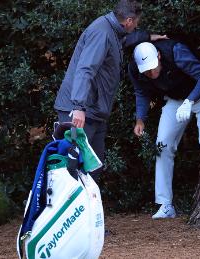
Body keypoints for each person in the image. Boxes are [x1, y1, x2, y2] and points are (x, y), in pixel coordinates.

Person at [54, 0, 165, 182]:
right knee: (74, 167)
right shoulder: (102, 33)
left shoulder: (112, 31)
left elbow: (126, 40)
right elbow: (85, 69)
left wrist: (148, 37)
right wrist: (79, 107)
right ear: (129, 20)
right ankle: (68, 210)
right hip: (79, 112)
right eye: (136, 22)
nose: (137, 25)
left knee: (94, 167)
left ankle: (89, 210)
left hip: (94, 112)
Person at [129, 40, 200, 219]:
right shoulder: (135, 68)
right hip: (175, 100)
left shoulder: (176, 51)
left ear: (159, 56)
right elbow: (141, 92)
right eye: (146, 70)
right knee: (162, 146)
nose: (150, 73)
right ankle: (165, 204)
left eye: (153, 67)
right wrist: (140, 119)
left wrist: (190, 100)